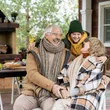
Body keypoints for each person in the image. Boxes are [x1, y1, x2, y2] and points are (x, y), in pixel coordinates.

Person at [13, 24, 75, 110]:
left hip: (50, 95)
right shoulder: (34, 52)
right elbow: (32, 74)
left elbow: (79, 61)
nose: (58, 37)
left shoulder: (66, 53)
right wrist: (53, 86)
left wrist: (99, 56)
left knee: (52, 107)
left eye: (60, 35)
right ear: (46, 35)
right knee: (19, 105)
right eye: (55, 34)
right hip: (32, 92)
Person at [52, 37, 110, 110]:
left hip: (88, 94)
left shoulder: (97, 62)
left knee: (78, 106)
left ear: (92, 47)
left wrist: (70, 92)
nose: (84, 42)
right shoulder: (77, 59)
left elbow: (90, 85)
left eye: (87, 42)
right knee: (58, 104)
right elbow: (64, 74)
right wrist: (64, 88)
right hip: (72, 92)